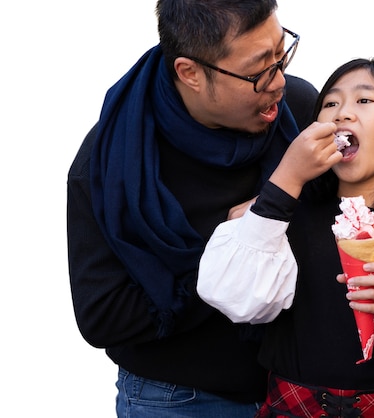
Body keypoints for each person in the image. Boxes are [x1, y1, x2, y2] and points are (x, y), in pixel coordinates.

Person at [66, 0, 343, 416]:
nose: (278, 81)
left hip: (301, 388)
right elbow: (102, 317)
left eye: (280, 53)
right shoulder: (115, 165)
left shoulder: (298, 110)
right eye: (258, 71)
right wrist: (237, 244)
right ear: (190, 73)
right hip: (178, 398)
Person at [198, 58, 374, 417]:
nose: (342, 114)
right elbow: (232, 297)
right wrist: (284, 186)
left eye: (364, 101)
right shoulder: (282, 222)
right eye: (331, 103)